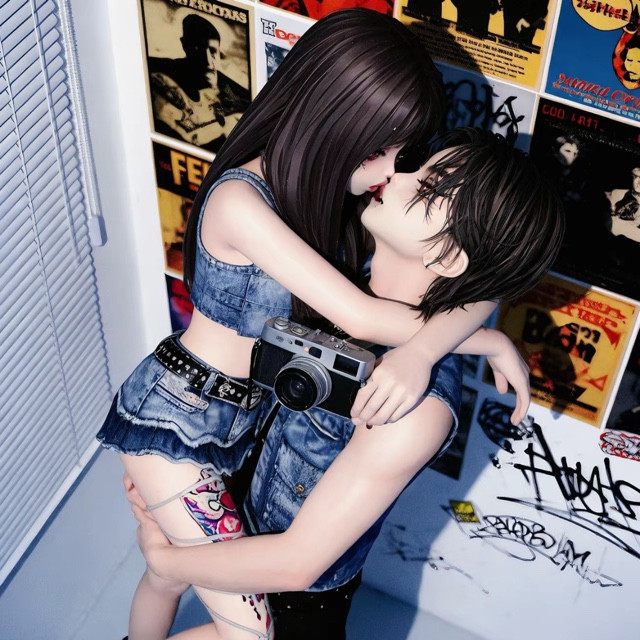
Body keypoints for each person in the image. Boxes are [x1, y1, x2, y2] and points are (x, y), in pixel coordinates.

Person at [100, 11, 522, 640]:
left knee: (167, 581)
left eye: (403, 154)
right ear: (335, 120)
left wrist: (456, 337)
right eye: (381, 149)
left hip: (239, 421)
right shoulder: (242, 202)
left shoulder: (330, 202)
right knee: (250, 630)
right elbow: (360, 315)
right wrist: (483, 340)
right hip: (180, 416)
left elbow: (473, 281)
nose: (392, 171)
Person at [130, 127, 565, 639]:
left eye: (427, 187)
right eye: (419, 165)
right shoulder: (348, 263)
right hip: (232, 511)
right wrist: (183, 493)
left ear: (447, 258)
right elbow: (478, 285)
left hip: (291, 608)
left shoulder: (415, 406)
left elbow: (296, 564)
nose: (398, 174)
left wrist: (167, 558)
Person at [148, 14, 250, 152]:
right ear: (185, 45)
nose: (208, 61)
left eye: (213, 51)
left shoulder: (243, 98)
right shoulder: (158, 67)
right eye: (199, 49)